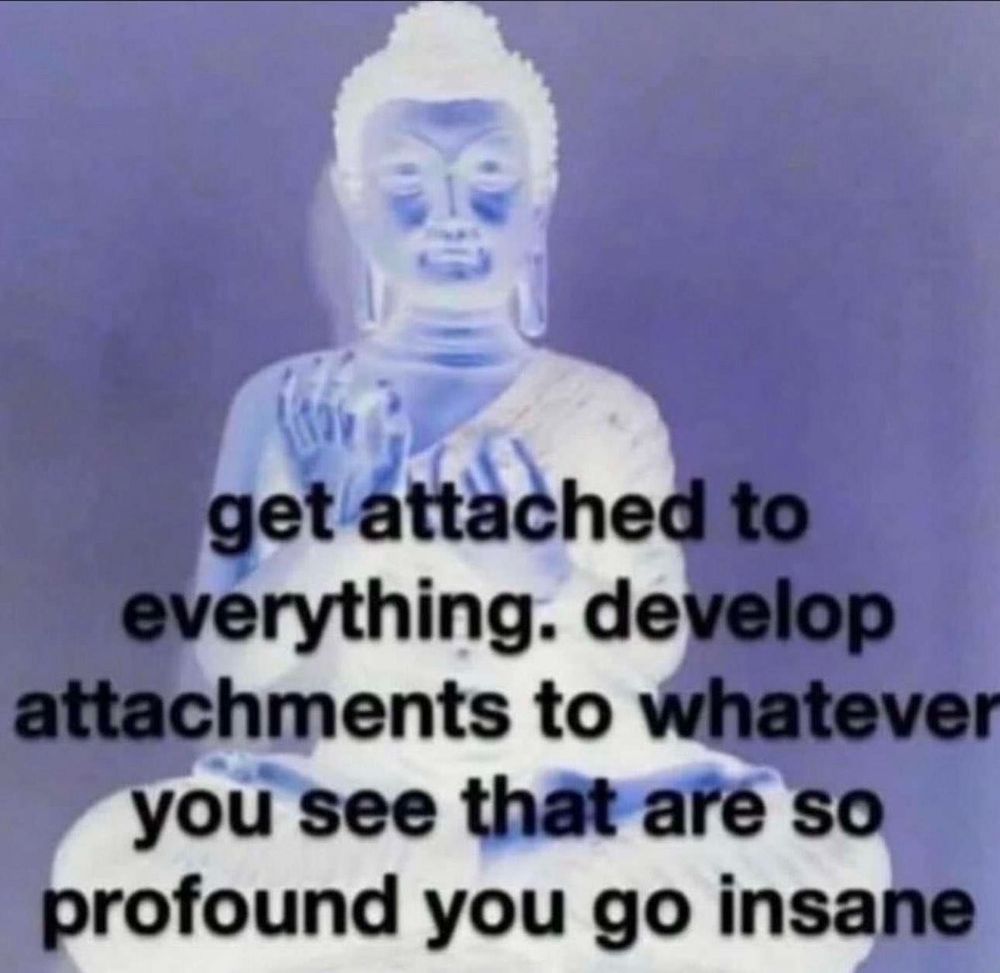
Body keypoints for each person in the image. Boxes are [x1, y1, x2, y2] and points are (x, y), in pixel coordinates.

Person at [53, 4, 889, 971]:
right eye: (410, 181)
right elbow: (236, 660)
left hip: (576, 791)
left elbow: (648, 649)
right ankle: (489, 879)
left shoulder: (604, 410)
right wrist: (339, 527)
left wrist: (541, 573)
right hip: (368, 804)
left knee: (831, 866)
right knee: (111, 869)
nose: (451, 211)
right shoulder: (291, 404)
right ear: (359, 203)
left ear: (538, 200)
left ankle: (459, 889)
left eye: (487, 175)